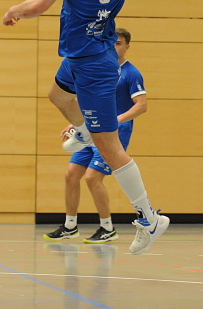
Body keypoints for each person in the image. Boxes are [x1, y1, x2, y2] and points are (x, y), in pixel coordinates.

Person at [2, 0, 173, 255]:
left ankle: (149, 217)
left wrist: (15, 9)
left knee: (110, 148)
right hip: (81, 56)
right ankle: (82, 132)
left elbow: (38, 5)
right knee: (58, 95)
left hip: (94, 65)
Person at [44, 28, 147, 244]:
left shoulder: (131, 73)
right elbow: (86, 100)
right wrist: (77, 123)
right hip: (92, 129)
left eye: (119, 43)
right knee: (71, 174)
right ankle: (70, 225)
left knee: (92, 178)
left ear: (127, 47)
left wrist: (116, 119)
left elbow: (141, 105)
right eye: (112, 43)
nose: (114, 47)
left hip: (113, 133)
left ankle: (107, 227)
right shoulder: (99, 69)